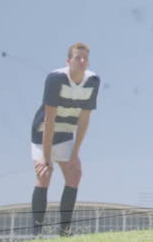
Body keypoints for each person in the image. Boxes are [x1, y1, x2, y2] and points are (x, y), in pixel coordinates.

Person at [30, 43, 100, 236]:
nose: (82, 61)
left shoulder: (93, 80)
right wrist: (46, 158)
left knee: (74, 174)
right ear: (68, 61)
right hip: (42, 133)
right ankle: (36, 234)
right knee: (44, 175)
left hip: (66, 134)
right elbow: (49, 119)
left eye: (85, 58)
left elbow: (84, 119)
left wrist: (74, 154)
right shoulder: (56, 79)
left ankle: (64, 231)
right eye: (78, 58)